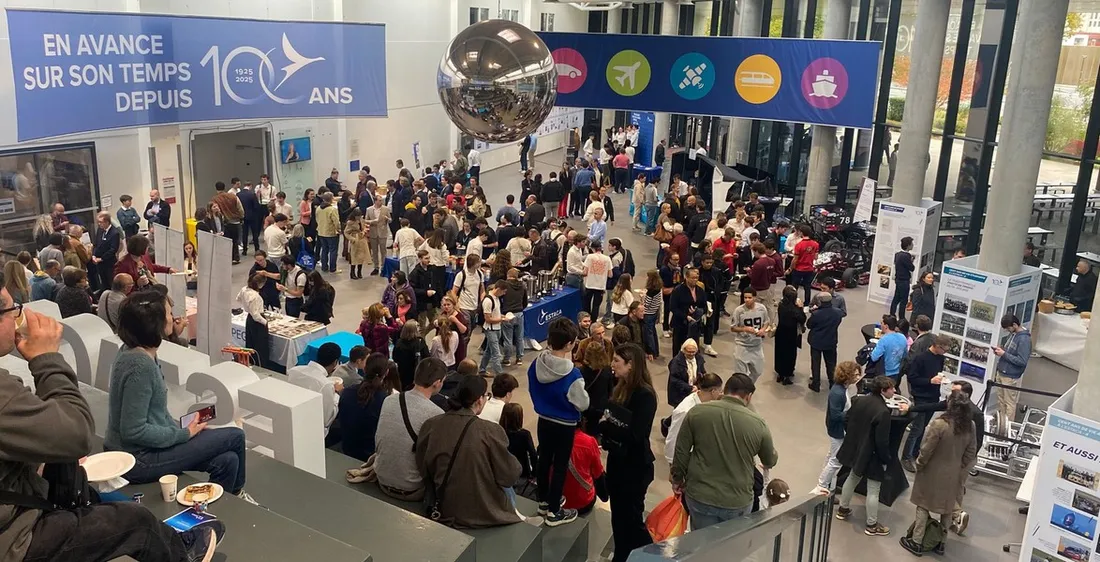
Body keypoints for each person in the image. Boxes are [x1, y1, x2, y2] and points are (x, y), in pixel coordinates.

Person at [0, 276, 228, 562]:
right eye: (12, 310)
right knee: (138, 522)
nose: (18, 318)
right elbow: (81, 435)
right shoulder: (139, 365)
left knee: (226, 458)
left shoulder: (134, 356)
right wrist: (46, 359)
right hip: (16, 537)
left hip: (23, 506)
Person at [105, 290, 256, 503]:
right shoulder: (140, 365)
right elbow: (133, 430)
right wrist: (184, 435)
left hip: (143, 449)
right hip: (138, 460)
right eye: (168, 313)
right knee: (235, 436)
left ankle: (216, 509)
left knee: (228, 461)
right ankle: (238, 495)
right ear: (155, 322)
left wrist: (180, 430)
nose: (173, 318)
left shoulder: (134, 351)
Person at [416, 373, 526, 528]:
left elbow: (422, 465)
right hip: (481, 513)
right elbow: (510, 475)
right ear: (479, 400)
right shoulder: (490, 431)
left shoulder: (431, 424)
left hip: (443, 505)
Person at [672, 373, 778, 528]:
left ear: (725, 390)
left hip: (700, 495)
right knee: (729, 546)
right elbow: (769, 460)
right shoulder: (758, 423)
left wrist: (677, 479)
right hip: (737, 500)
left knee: (701, 543)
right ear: (748, 397)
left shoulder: (697, 413)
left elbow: (681, 451)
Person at [899, 391, 978, 556]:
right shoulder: (970, 425)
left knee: (923, 505)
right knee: (947, 509)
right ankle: (941, 543)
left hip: (931, 472)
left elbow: (927, 449)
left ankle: (917, 541)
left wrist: (920, 464)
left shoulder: (939, 424)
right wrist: (958, 466)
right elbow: (971, 452)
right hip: (954, 474)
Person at [528, 317, 590, 526]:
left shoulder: (536, 364)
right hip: (565, 424)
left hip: (543, 419)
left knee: (543, 459)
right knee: (560, 465)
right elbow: (583, 404)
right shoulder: (573, 374)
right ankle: (555, 511)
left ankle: (543, 502)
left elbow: (532, 387)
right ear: (570, 344)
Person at [600, 344, 657, 560]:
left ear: (631, 365)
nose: (612, 364)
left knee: (631, 521)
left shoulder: (645, 396)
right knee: (618, 519)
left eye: (616, 360)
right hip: (617, 463)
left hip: (634, 469)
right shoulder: (620, 386)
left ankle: (651, 556)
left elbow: (635, 435)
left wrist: (604, 426)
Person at [374, 358, 446, 501]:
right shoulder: (436, 414)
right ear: (437, 382)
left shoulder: (389, 400)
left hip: (382, 478)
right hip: (411, 489)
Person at [835, 376, 896, 537]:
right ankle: (872, 524)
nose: (894, 391)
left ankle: (843, 509)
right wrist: (886, 459)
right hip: (872, 455)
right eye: (891, 388)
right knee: (874, 490)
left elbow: (847, 420)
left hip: (856, 449)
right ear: (883, 390)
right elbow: (882, 441)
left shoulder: (859, 401)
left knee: (852, 478)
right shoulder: (883, 412)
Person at [900, 335, 952, 472]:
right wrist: (929, 381)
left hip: (933, 396)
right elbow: (912, 378)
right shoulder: (920, 358)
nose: (944, 353)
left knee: (923, 427)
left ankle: (916, 452)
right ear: (937, 346)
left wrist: (939, 380)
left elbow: (937, 373)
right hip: (921, 396)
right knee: (917, 428)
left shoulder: (940, 358)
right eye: (944, 350)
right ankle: (906, 456)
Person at [814, 361, 864, 494]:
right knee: (836, 460)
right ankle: (822, 486)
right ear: (847, 375)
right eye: (856, 375)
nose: (858, 377)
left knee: (831, 456)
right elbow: (836, 415)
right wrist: (853, 413)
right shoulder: (838, 393)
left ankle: (828, 484)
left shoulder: (842, 388)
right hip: (837, 431)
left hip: (837, 429)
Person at [338, 354, 395, 461]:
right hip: (371, 454)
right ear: (387, 373)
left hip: (348, 447)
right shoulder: (387, 400)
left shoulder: (347, 392)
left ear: (364, 369)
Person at [664, 372, 723, 464]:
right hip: (687, 459)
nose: (721, 394)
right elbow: (674, 437)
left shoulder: (705, 401)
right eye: (720, 391)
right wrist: (673, 464)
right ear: (713, 391)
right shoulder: (686, 411)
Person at [992, 313, 1032, 425]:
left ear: (1014, 325)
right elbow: (1010, 352)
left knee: (1009, 402)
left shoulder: (1024, 339)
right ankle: (1001, 423)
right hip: (1002, 372)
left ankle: (1008, 426)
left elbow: (1022, 361)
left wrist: (1004, 354)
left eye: (1008, 328)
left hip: (1010, 375)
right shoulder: (1014, 334)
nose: (1007, 331)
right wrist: (1002, 350)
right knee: (1001, 400)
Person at [729, 288, 771, 381]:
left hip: (757, 345)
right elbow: (733, 327)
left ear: (755, 298)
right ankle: (742, 390)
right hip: (742, 345)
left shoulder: (761, 308)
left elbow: (766, 322)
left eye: (749, 297)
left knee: (758, 371)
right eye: (745, 297)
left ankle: (748, 387)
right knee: (740, 376)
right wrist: (744, 329)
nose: (747, 300)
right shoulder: (739, 311)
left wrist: (763, 330)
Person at [805, 293, 843, 392]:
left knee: (816, 363)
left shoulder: (816, 314)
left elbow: (809, 325)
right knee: (831, 364)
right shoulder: (838, 313)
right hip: (831, 341)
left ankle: (816, 384)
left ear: (820, 301)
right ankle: (832, 383)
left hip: (816, 342)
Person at [237, 273, 273, 369]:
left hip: (249, 319)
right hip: (257, 322)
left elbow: (238, 298)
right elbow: (256, 315)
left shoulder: (244, 289)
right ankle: (261, 365)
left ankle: (252, 362)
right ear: (260, 284)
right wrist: (265, 322)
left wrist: (246, 306)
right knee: (260, 345)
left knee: (250, 342)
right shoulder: (255, 296)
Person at [774, 286, 807, 385]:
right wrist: (800, 308)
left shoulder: (781, 305)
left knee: (779, 352)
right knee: (790, 354)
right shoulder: (794, 309)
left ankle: (780, 373)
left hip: (780, 332)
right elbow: (802, 319)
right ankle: (787, 375)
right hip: (791, 334)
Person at [212, 182, 245, 264]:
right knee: (235, 240)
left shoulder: (215, 199)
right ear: (224, 187)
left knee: (226, 242)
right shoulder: (233, 196)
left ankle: (227, 258)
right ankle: (236, 257)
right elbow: (240, 208)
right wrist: (241, 217)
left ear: (216, 189)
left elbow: (213, 211)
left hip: (224, 223)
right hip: (235, 222)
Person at [871, 315, 908, 385]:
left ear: (886, 326)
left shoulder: (884, 340)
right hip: (897, 372)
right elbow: (905, 354)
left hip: (885, 373)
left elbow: (874, 357)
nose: (880, 325)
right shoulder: (903, 337)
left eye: (881, 323)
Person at [582, 240, 613, 317]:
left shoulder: (590, 257)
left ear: (593, 248)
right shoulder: (607, 259)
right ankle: (593, 321)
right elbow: (610, 275)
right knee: (596, 306)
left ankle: (586, 320)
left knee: (586, 304)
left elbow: (585, 272)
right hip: (600, 286)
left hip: (589, 284)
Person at [788, 224, 818, 305]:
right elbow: (816, 257)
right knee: (807, 287)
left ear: (801, 233)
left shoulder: (799, 245)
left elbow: (795, 259)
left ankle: (792, 301)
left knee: (795, 286)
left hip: (799, 268)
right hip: (809, 268)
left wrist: (790, 268)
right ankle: (807, 303)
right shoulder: (815, 244)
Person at [91, 211, 120, 290]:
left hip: (109, 263)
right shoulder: (100, 230)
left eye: (100, 222)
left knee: (110, 282)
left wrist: (102, 258)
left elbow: (113, 249)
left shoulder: (114, 233)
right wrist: (93, 255)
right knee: (103, 283)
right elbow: (96, 244)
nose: (99, 224)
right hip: (99, 263)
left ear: (107, 222)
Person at [891, 236, 915, 321]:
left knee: (896, 298)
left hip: (898, 279)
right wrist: (911, 261)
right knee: (904, 300)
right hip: (904, 280)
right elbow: (911, 268)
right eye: (912, 243)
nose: (913, 245)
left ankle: (892, 315)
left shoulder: (897, 254)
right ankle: (901, 317)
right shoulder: (906, 256)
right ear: (908, 245)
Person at [237, 182, 261, 255]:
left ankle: (245, 250)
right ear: (250, 186)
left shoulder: (238, 195)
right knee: (255, 233)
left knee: (245, 233)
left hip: (243, 216)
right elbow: (256, 206)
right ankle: (257, 249)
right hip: (252, 216)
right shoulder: (252, 194)